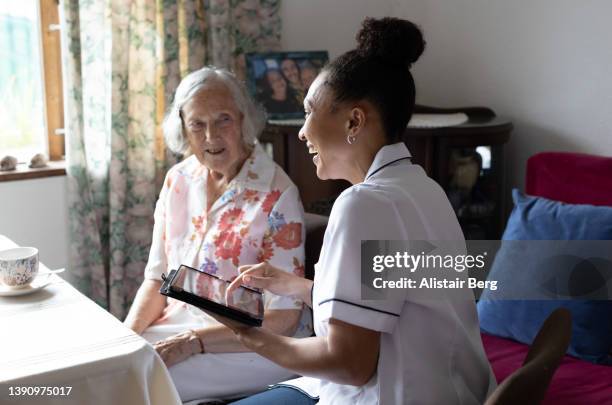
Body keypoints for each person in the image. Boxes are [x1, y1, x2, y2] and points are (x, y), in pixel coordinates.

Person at [216, 17, 497, 404]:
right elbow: (394, 297)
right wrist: (292, 287)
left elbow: (349, 364)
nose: (301, 131)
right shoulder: (424, 189)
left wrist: (246, 333)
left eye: (308, 112)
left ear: (354, 120)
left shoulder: (363, 204)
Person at [123, 66, 312, 403]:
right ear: (183, 128)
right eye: (197, 124)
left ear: (243, 119)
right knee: (110, 366)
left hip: (252, 344)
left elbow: (283, 319)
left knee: (141, 384)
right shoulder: (177, 181)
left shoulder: (277, 194)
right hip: (179, 326)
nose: (210, 136)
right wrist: (127, 336)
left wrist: (193, 341)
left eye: (223, 119)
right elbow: (156, 280)